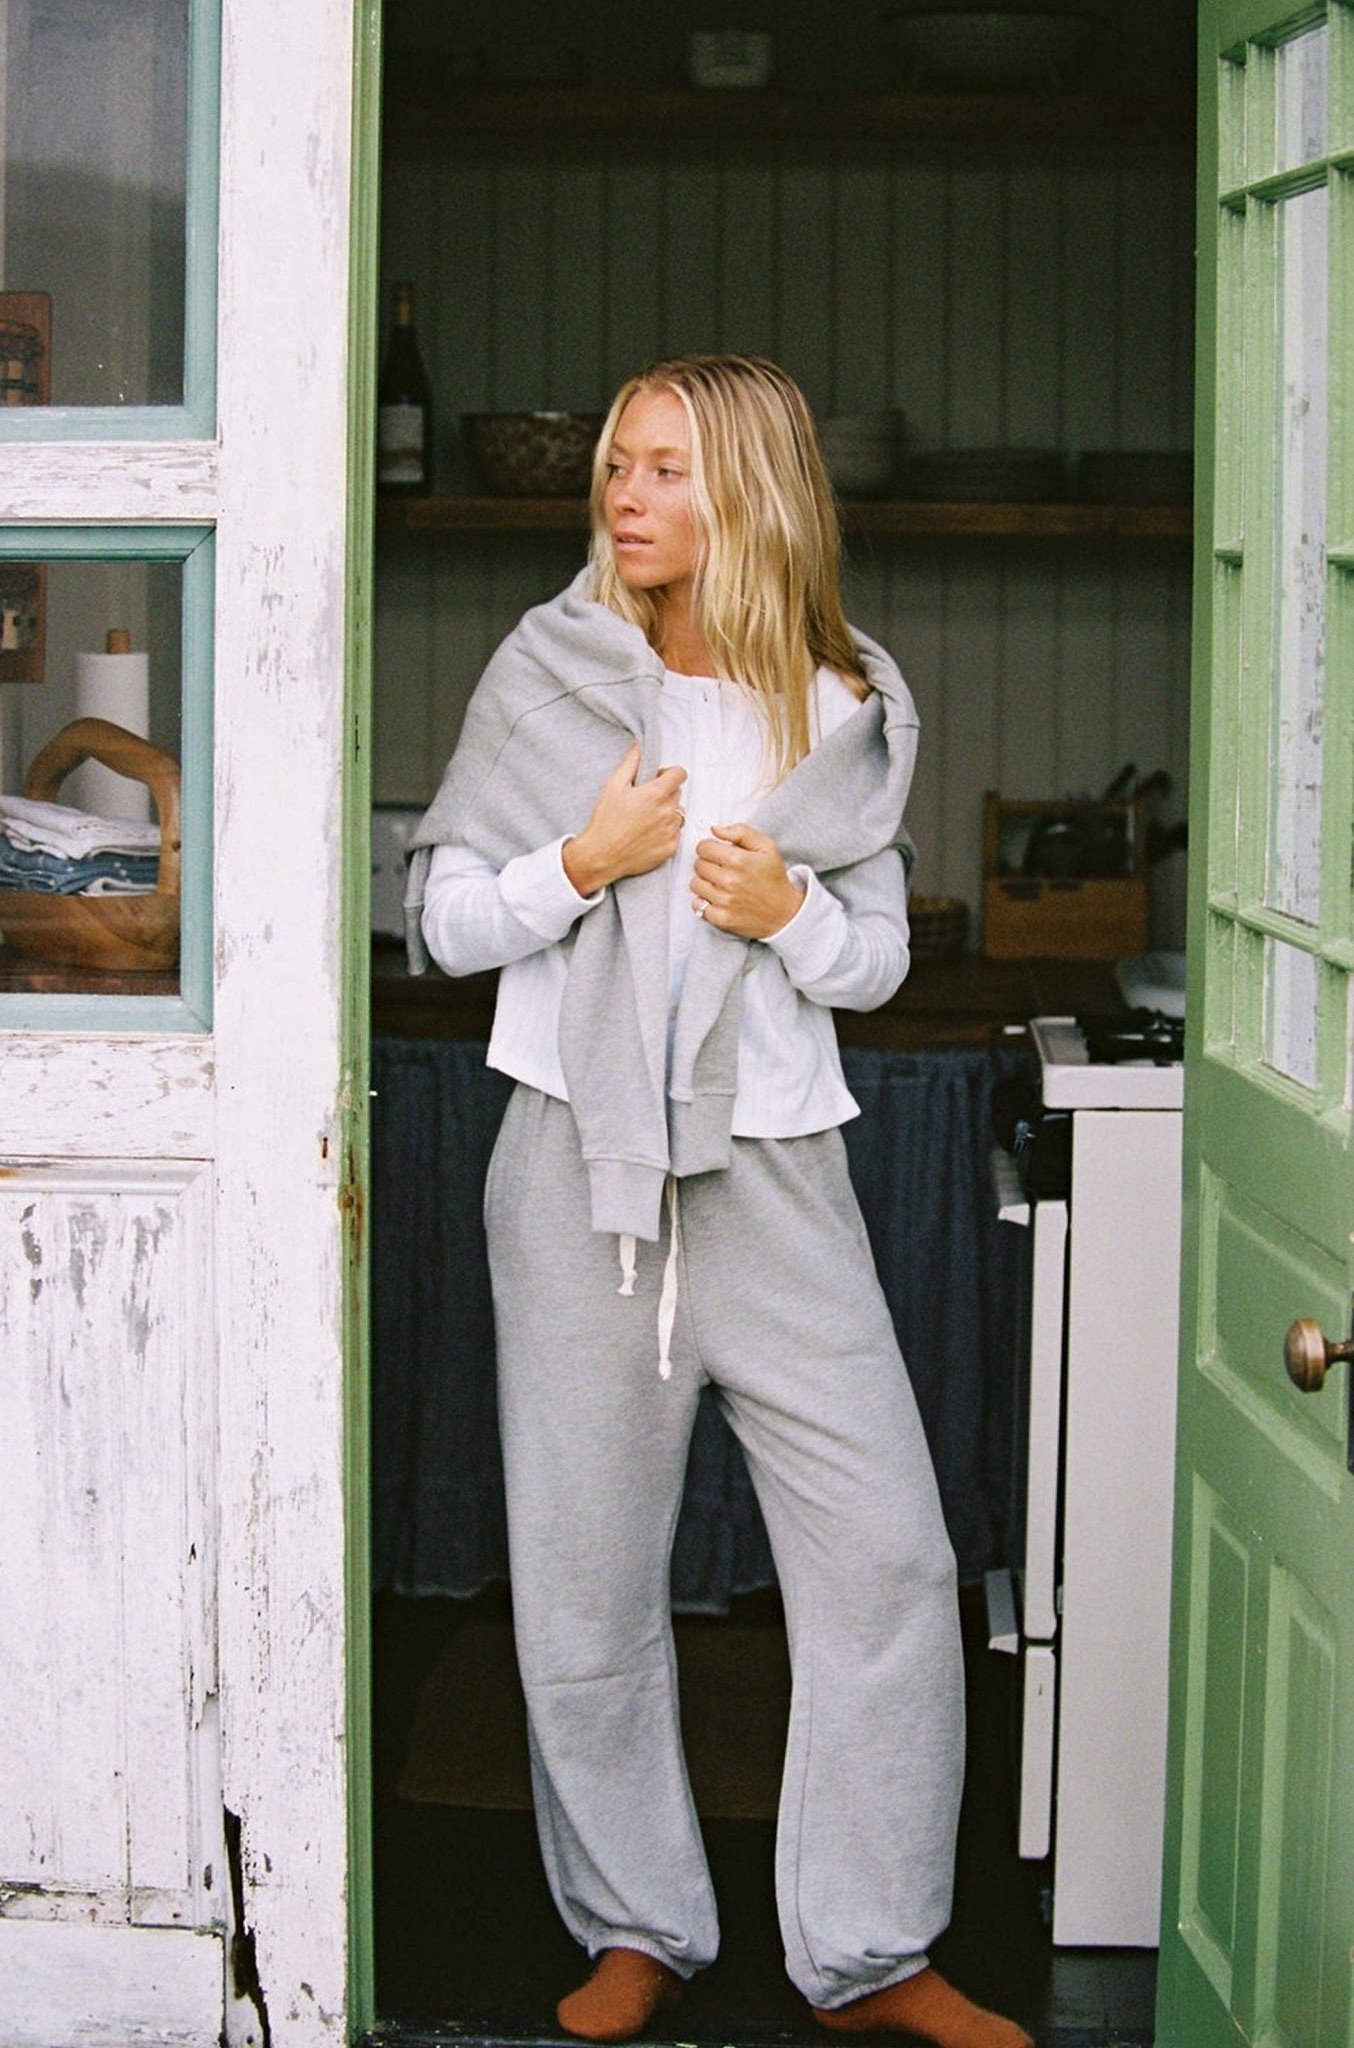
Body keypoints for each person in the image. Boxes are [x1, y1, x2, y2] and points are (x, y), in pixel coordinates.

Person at [406, 354, 1030, 2048]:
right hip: (576, 1167)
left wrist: (787, 917)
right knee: (586, 1580)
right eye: (618, 463)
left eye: (667, 468)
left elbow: (875, 961)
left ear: (749, 490)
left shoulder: (842, 708)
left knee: (887, 1559)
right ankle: (634, 1929)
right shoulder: (546, 677)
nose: (625, 495)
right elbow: (440, 922)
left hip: (775, 1169)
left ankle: (874, 1957)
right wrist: (581, 865)